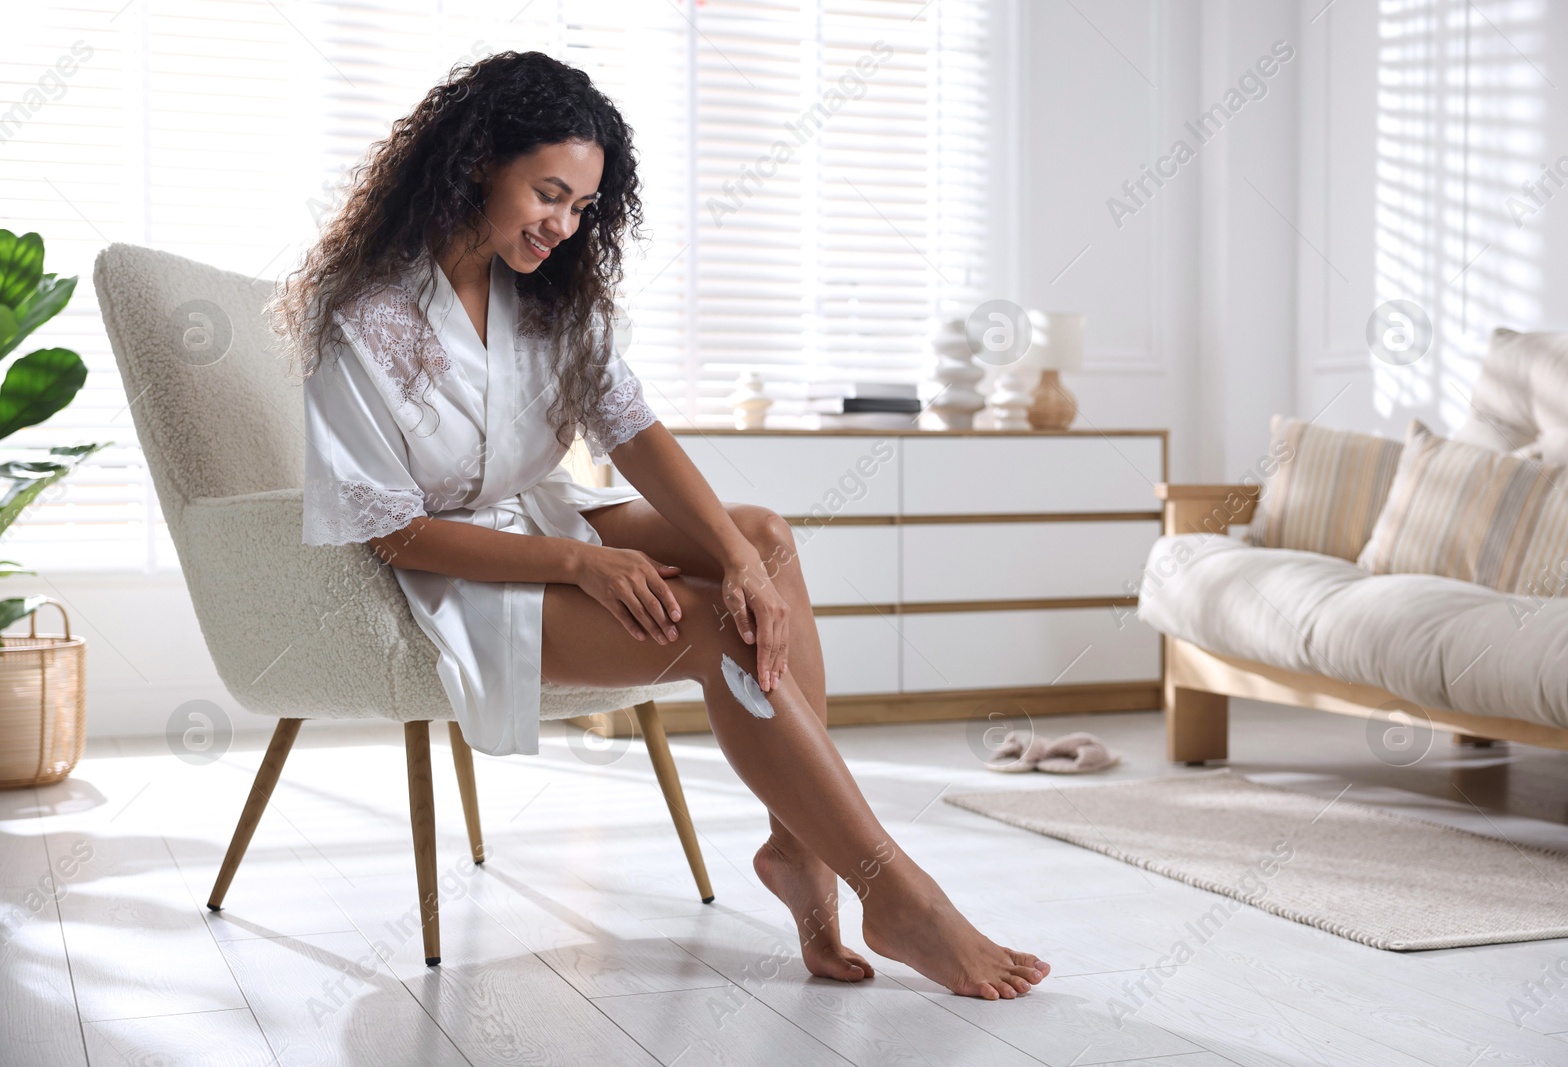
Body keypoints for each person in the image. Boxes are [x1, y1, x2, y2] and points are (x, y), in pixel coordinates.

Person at [273, 50, 1048, 1001]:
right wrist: (577, 565)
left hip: (547, 517)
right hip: (461, 568)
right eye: (547, 194)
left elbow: (632, 429)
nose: (561, 226)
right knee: (716, 625)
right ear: (479, 163)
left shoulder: (550, 293)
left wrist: (739, 558)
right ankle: (898, 893)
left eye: (580, 208)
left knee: (760, 535)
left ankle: (796, 847)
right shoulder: (362, 317)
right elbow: (390, 533)